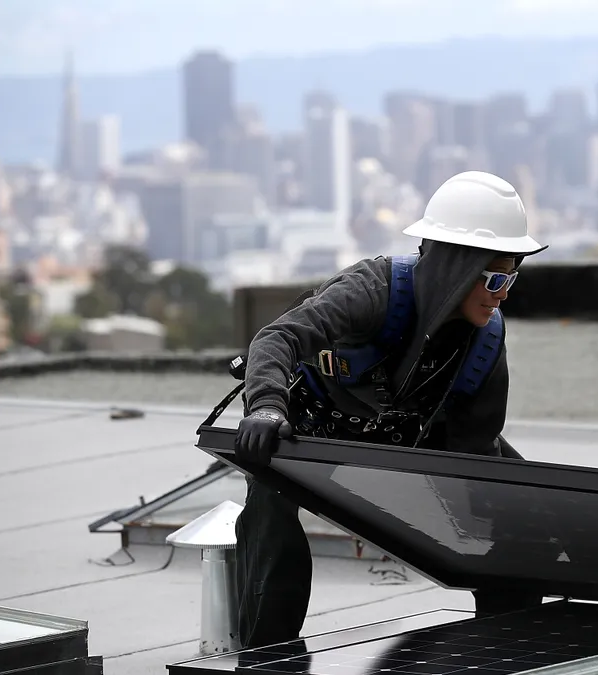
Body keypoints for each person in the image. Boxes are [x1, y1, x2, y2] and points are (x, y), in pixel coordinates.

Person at [230, 170, 547, 648]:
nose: (503, 293)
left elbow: (475, 451)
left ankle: (503, 645)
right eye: (495, 277)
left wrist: (497, 522)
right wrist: (268, 408)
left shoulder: (486, 342)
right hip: (311, 430)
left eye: (512, 277)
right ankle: (266, 654)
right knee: (270, 519)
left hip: (410, 437)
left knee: (522, 515)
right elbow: (278, 337)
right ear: (456, 266)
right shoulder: (370, 292)